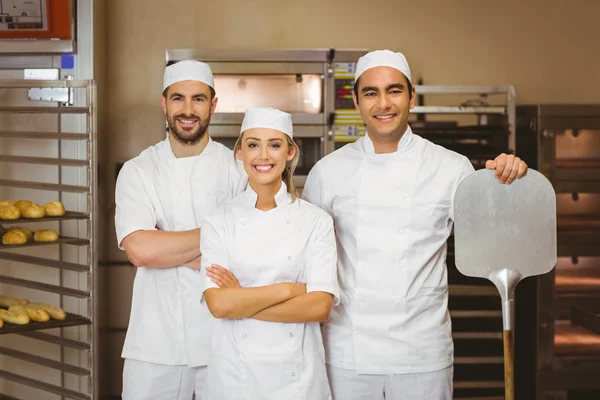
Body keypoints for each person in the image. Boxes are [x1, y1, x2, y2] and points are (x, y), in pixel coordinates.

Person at [302, 50, 529, 400]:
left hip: (422, 351)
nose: (383, 104)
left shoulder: (450, 168)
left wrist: (508, 183)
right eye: (371, 93)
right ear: (356, 101)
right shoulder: (327, 172)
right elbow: (307, 260)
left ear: (411, 96)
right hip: (347, 351)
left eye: (394, 90)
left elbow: (496, 243)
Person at [114, 60, 246, 399]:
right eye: (178, 99)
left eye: (198, 99)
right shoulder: (138, 170)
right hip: (155, 345)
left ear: (213, 104)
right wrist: (220, 239)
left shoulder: (238, 169)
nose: (188, 110)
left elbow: (249, 251)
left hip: (224, 342)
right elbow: (140, 250)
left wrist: (167, 247)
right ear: (164, 103)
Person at [199, 107, 339, 400]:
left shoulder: (316, 221)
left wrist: (243, 301)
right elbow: (219, 306)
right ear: (239, 153)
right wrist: (289, 290)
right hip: (235, 380)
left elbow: (318, 307)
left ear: (289, 152)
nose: (263, 156)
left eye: (274, 145)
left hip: (298, 381)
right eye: (253, 145)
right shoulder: (218, 222)